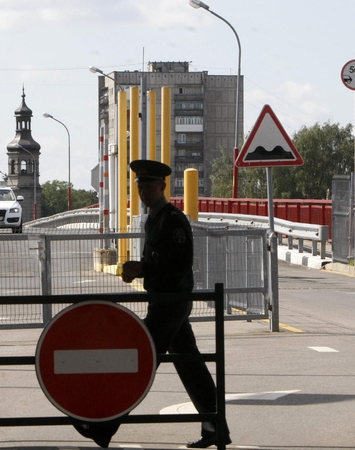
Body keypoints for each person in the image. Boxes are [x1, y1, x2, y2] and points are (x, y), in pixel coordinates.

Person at [74, 159, 230, 449]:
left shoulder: (172, 219)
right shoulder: (155, 218)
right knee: (191, 366)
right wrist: (140, 269)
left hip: (170, 304)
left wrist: (142, 268)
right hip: (165, 302)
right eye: (140, 186)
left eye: (149, 185)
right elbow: (161, 263)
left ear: (163, 186)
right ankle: (215, 428)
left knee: (140, 361)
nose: (143, 191)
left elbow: (179, 265)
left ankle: (105, 426)